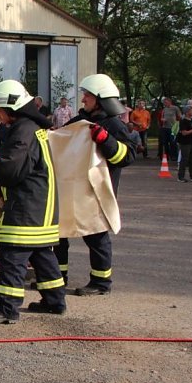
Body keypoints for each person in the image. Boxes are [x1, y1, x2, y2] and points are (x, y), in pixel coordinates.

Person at [0, 79, 65, 325]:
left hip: (27, 206)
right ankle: (55, 301)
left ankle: (7, 309)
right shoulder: (34, 126)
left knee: (13, 255)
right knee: (42, 255)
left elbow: (10, 170)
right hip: (42, 205)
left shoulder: (23, 130)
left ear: (9, 108)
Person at [54, 74, 135, 296]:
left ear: (100, 99)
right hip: (73, 190)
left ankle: (101, 282)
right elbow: (59, 139)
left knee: (96, 236)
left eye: (87, 96)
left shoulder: (114, 125)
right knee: (59, 232)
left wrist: (106, 140)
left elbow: (127, 156)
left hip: (97, 192)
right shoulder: (79, 122)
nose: (83, 100)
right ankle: (57, 278)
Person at [176, 106, 192, 183]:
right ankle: (180, 176)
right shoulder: (183, 121)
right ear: (187, 112)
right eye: (191, 110)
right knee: (184, 159)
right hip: (185, 142)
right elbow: (184, 133)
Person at [159, 97, 181, 162]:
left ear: (169, 102)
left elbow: (179, 116)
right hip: (165, 127)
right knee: (165, 143)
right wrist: (163, 120)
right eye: (164, 103)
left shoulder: (175, 108)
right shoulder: (164, 109)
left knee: (173, 142)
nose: (165, 104)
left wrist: (177, 124)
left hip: (173, 128)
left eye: (166, 102)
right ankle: (166, 156)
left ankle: (174, 156)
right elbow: (161, 118)